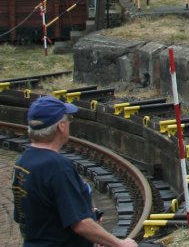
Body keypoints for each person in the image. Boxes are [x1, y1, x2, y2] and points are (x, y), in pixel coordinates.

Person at [11, 96, 138, 247]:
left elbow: (25, 215)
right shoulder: (58, 167)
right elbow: (81, 224)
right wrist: (120, 244)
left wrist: (85, 211)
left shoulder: (22, 162)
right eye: (69, 119)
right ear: (61, 126)